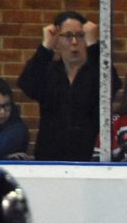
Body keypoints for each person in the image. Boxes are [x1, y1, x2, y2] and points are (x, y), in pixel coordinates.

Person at [17, 10, 121, 161]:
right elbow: (27, 85)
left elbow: (112, 85)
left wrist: (93, 46)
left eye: (80, 35)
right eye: (67, 36)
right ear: (57, 40)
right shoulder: (49, 70)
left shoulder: (95, 70)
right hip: (50, 156)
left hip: (90, 156)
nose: (74, 42)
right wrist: (46, 47)